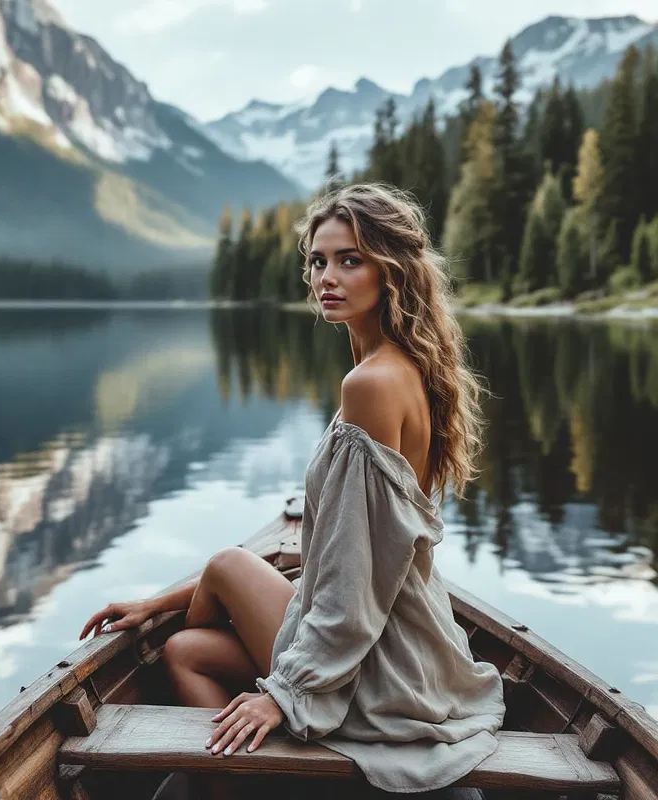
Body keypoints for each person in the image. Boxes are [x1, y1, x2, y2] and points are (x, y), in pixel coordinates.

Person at [79, 183, 506, 796]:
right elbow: (340, 558)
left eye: (349, 259)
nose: (327, 277)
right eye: (318, 260)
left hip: (381, 657)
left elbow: (356, 581)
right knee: (186, 648)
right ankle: (241, 762)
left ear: (392, 271)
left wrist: (287, 695)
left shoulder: (374, 385)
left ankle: (246, 766)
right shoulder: (399, 367)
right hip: (385, 628)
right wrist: (156, 604)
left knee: (222, 576)